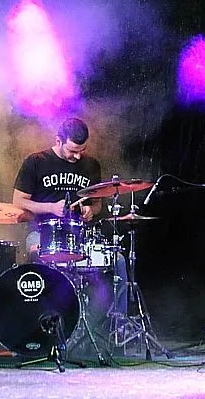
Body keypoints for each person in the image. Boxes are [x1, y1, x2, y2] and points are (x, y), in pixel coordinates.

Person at [12, 118, 129, 334]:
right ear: (58, 140)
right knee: (38, 259)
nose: (77, 156)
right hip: (42, 234)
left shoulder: (91, 165)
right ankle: (43, 328)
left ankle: (112, 329)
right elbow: (18, 201)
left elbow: (97, 203)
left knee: (118, 261)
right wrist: (50, 207)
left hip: (79, 238)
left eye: (82, 151)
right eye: (73, 151)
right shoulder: (36, 162)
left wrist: (90, 210)